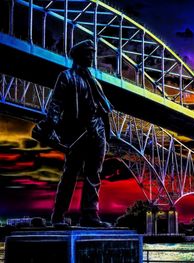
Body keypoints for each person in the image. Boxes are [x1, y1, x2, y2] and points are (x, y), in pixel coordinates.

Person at [35, 39, 113, 227]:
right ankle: (58, 216)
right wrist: (49, 126)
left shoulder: (95, 82)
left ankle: (90, 215)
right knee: (70, 174)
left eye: (92, 54)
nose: (91, 58)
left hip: (97, 132)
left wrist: (107, 135)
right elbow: (56, 104)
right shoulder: (67, 77)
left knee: (94, 175)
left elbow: (103, 110)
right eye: (88, 54)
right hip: (78, 133)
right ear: (78, 56)